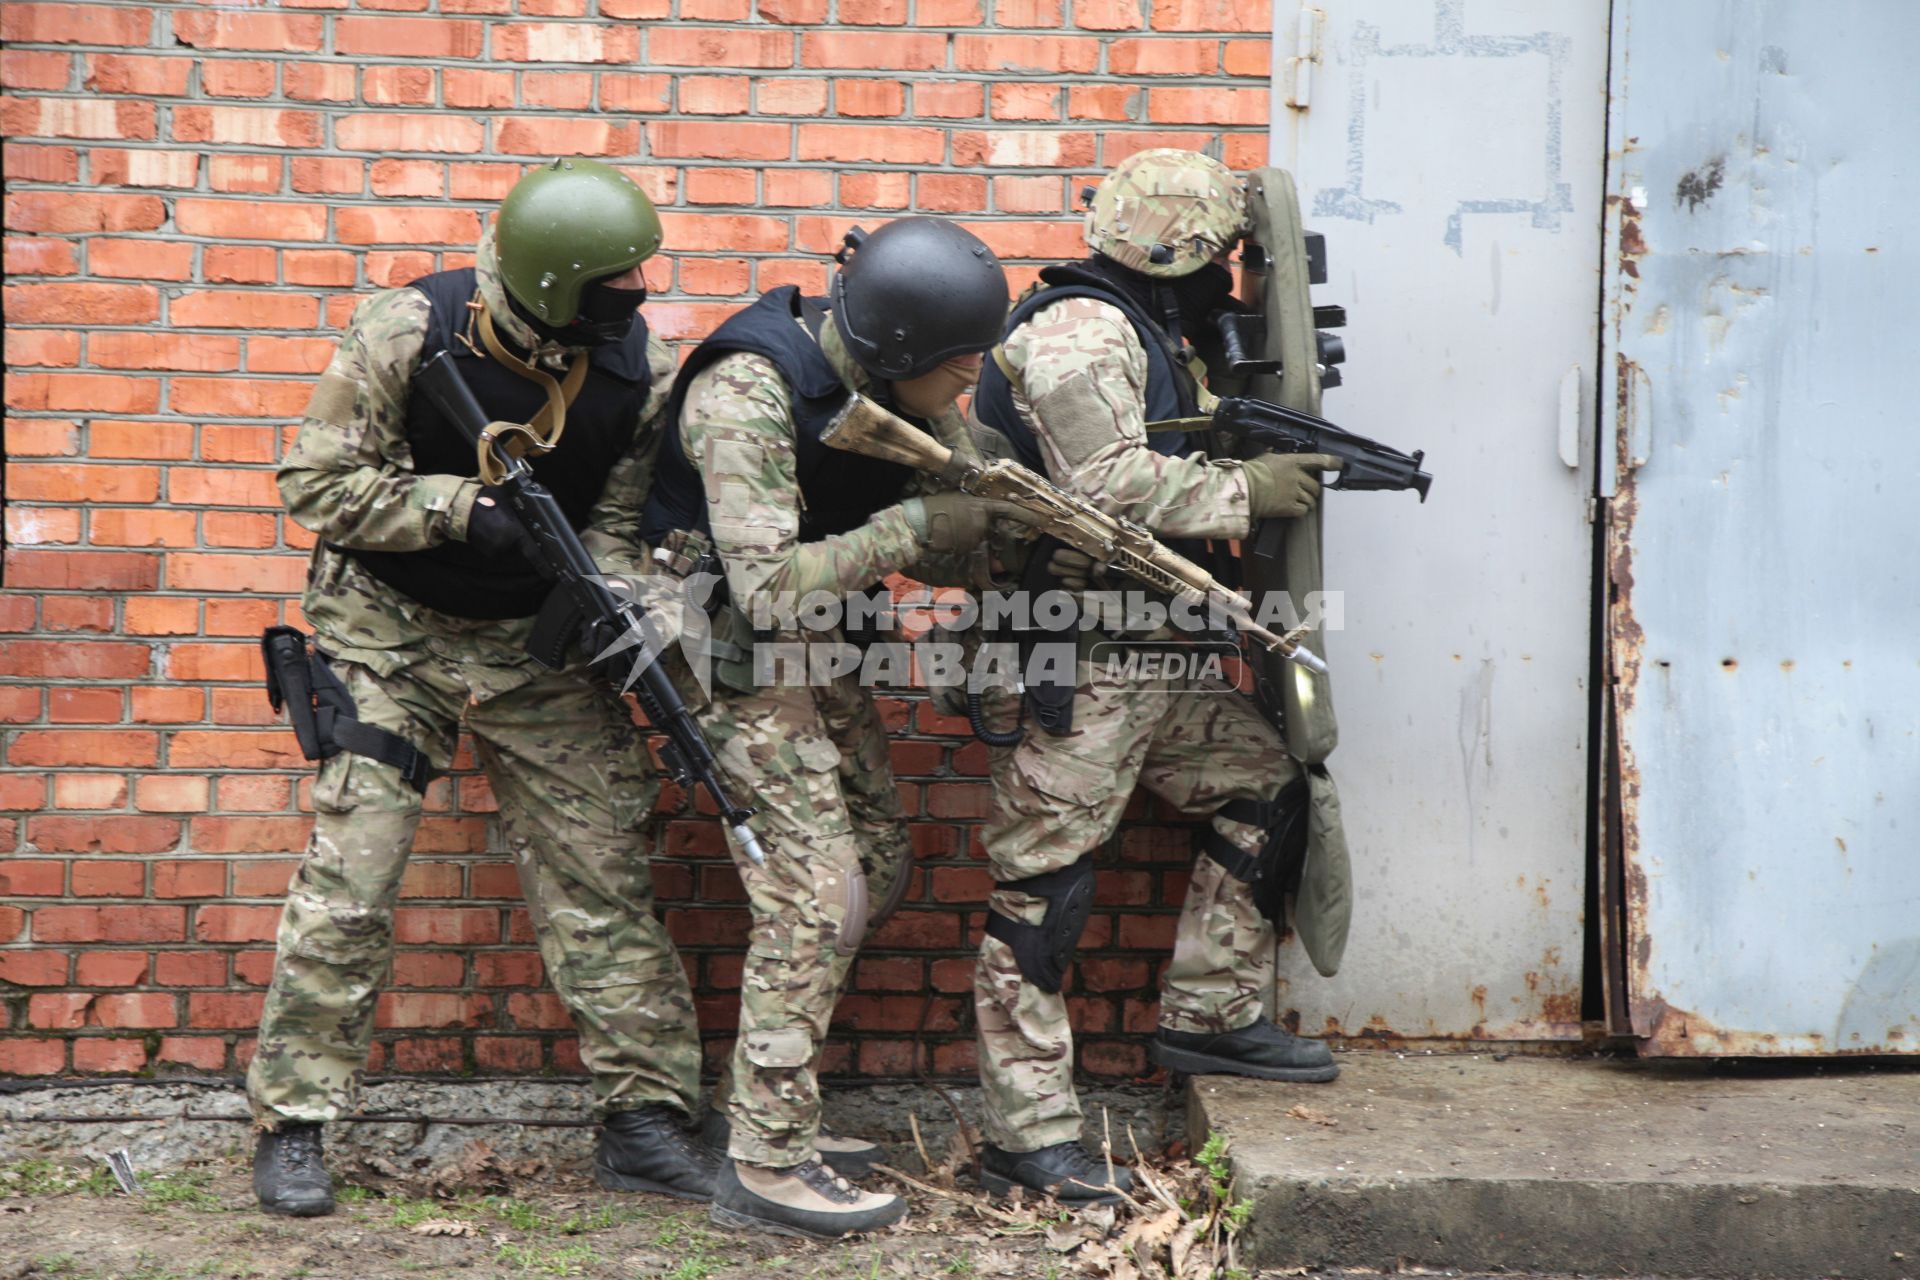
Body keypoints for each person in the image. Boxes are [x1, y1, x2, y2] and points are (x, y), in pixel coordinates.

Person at [251, 158, 714, 1216]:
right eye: (619, 280)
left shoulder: (637, 373)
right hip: (387, 636)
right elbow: (313, 483)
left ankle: (646, 1118)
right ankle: (294, 1123)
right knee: (353, 873)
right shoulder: (409, 328)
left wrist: (615, 593)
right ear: (556, 281)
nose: (640, 294)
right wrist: (453, 507)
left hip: (527, 651)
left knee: (601, 871)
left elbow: (618, 516)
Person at [639, 216, 1040, 1239]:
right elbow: (766, 585)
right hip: (725, 647)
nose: (964, 395)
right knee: (818, 895)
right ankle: (767, 1163)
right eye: (956, 376)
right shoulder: (750, 389)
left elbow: (934, 522)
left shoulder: (884, 388)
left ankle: (775, 1109)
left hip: (818, 644)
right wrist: (910, 532)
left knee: (877, 863)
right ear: (896, 353)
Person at [965, 149, 1345, 1204]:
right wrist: (1247, 488)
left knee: (1266, 783)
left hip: (1147, 656)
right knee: (1046, 888)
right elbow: (1106, 484)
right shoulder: (1080, 331)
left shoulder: (1148, 328)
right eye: (1217, 255)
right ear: (1172, 253)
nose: (1228, 275)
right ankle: (1026, 1132)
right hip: (1074, 660)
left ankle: (1210, 1014)